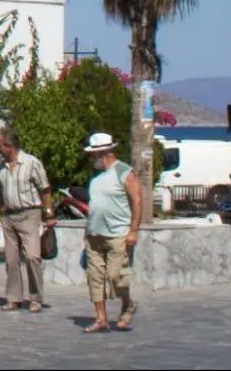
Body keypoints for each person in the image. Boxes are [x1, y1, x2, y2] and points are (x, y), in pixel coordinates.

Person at [79, 132, 144, 333]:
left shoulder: (123, 172)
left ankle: (128, 303)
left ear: (104, 153)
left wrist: (133, 231)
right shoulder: (95, 175)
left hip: (117, 234)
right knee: (95, 278)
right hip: (94, 234)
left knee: (116, 277)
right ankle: (101, 318)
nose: (91, 158)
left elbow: (137, 200)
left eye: (93, 154)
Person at [0, 126, 51, 312]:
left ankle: (36, 298)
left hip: (29, 214)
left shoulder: (31, 163)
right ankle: (14, 298)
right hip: (9, 216)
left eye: (0, 146)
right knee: (11, 260)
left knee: (33, 256)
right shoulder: (1, 169)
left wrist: (48, 211)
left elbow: (45, 188)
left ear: (9, 146)